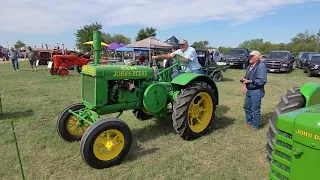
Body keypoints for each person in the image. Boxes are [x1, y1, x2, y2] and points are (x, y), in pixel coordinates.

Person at [241, 50, 267, 130]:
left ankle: (256, 126)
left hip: (257, 91)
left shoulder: (261, 66)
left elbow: (262, 81)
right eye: (249, 56)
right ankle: (250, 122)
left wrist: (251, 81)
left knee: (255, 109)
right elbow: (247, 77)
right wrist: (245, 85)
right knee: (246, 107)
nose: (249, 58)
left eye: (251, 56)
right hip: (249, 90)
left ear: (256, 58)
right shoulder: (250, 66)